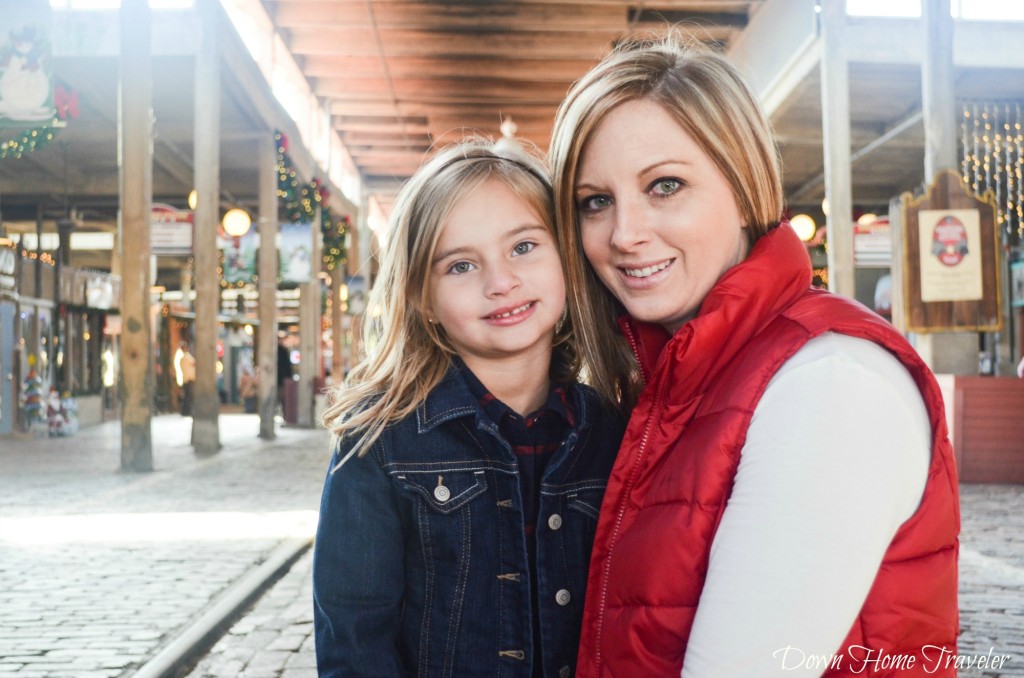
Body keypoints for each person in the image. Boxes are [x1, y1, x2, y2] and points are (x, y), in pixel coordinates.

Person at [549, 34, 959, 677]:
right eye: (594, 202)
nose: (623, 234)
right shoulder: (675, 382)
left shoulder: (832, 382)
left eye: (664, 185)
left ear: (743, 191)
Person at [312, 137, 625, 677]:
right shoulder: (380, 443)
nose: (500, 282)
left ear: (568, 260)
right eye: (460, 266)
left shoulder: (617, 431)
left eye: (523, 247)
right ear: (422, 300)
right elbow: (356, 639)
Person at [173, 341, 196, 417]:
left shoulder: (185, 357)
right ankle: (186, 411)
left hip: (188, 378)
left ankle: (186, 411)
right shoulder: (185, 357)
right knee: (188, 396)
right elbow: (193, 363)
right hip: (188, 379)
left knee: (188, 396)